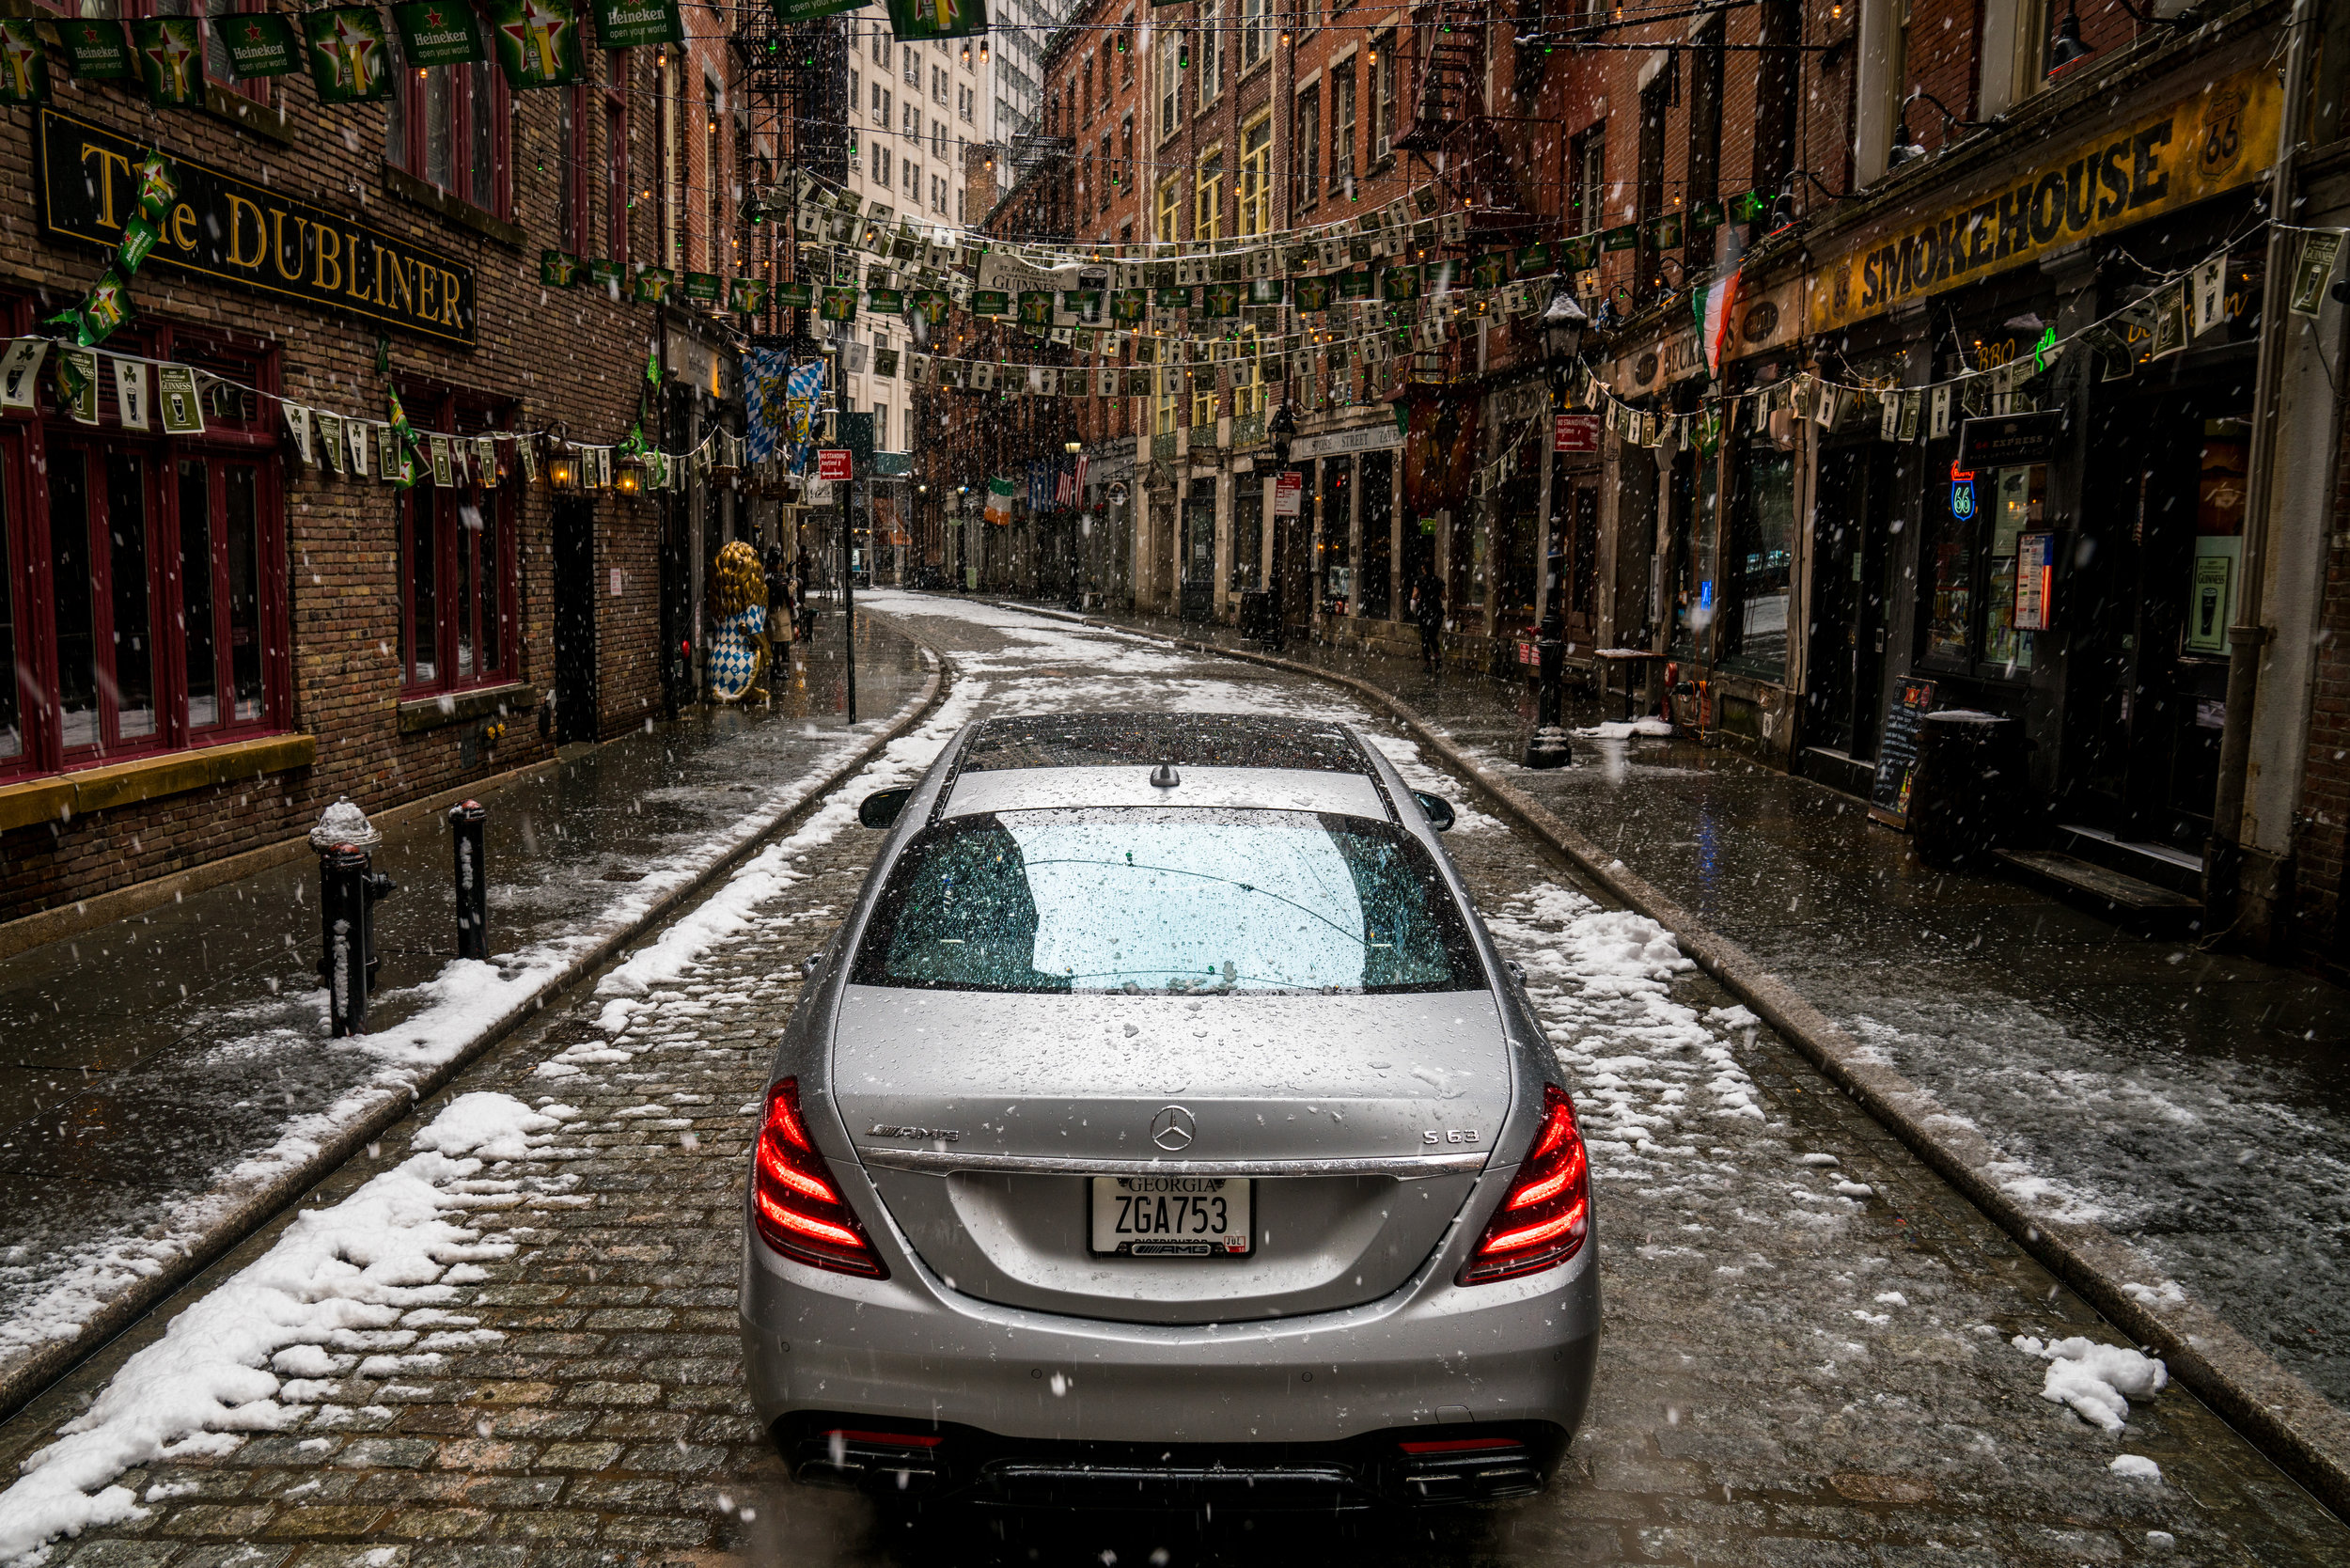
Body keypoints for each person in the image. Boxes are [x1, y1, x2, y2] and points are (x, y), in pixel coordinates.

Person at [1410, 567, 1444, 674]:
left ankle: (1428, 663)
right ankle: (1437, 656)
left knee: (1425, 637)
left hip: (1424, 611)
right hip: (1436, 611)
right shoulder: (1438, 580)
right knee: (1432, 636)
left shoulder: (1419, 580)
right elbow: (1444, 596)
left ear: (1423, 568)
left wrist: (1421, 596)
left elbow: (1414, 595)